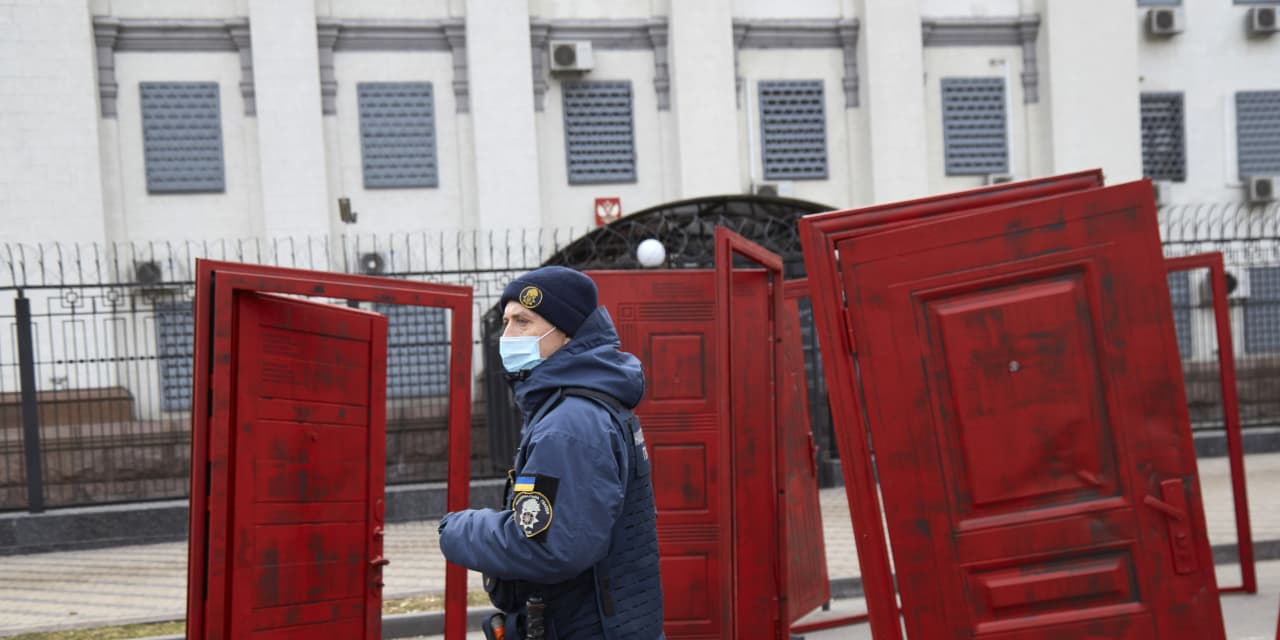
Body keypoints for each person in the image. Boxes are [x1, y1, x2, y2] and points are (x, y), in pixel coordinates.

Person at [438, 266, 665, 640]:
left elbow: (549, 547)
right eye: (506, 321)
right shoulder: (581, 407)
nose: (506, 335)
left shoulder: (570, 425)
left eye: (523, 322)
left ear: (565, 334)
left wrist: (458, 530)